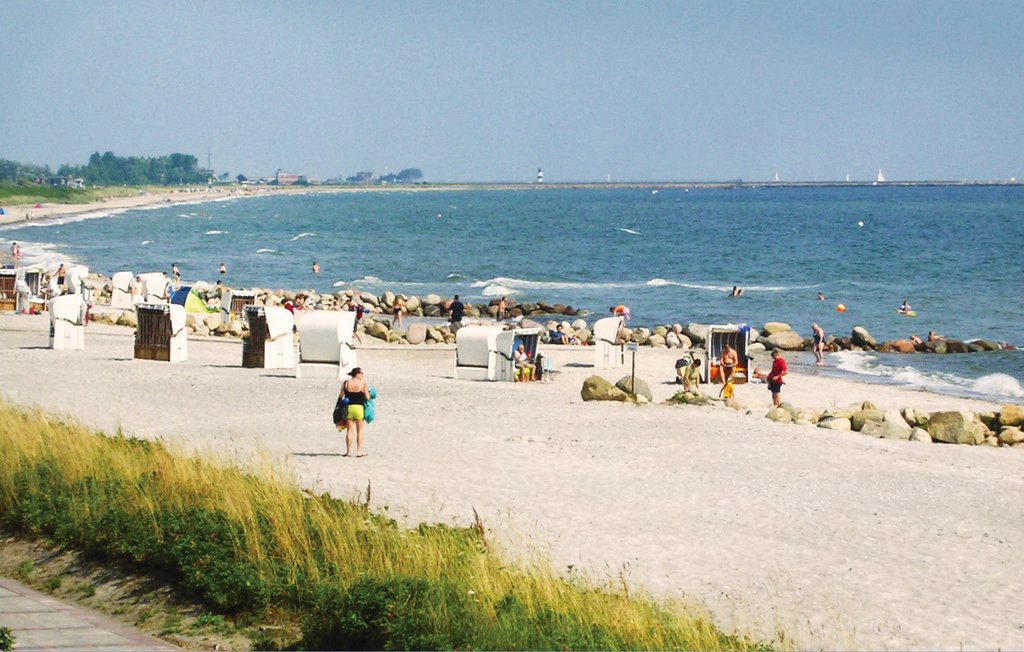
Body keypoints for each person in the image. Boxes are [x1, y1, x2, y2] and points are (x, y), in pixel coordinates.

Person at [338, 367, 371, 457]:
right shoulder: (363, 384)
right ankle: (359, 452)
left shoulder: (346, 383)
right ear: (358, 374)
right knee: (360, 431)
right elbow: (368, 397)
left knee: (349, 430)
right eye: (361, 373)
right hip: (359, 408)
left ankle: (348, 452)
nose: (362, 375)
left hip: (349, 408)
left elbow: (341, 395)